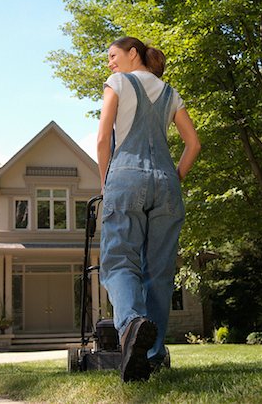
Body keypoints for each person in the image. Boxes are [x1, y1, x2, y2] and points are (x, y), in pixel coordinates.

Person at [97, 36, 201, 382]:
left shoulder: (118, 83)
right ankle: (152, 355)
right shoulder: (170, 93)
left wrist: (105, 182)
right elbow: (193, 143)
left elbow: (102, 138)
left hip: (125, 179)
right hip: (167, 185)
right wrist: (175, 177)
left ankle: (130, 329)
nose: (110, 63)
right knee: (159, 272)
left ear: (132, 54)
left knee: (118, 262)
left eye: (113, 56)